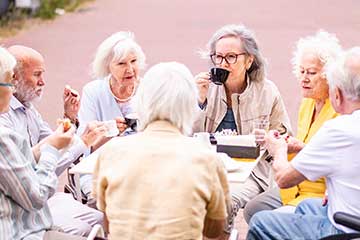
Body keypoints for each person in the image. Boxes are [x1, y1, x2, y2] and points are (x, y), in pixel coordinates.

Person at [93, 62, 230, 239]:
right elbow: (214, 231)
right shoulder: (207, 158)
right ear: (189, 105)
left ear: (141, 102)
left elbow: (108, 222)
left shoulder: (110, 153)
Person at [247, 47, 360, 239]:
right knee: (306, 206)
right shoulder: (335, 123)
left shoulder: (339, 129)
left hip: (346, 228)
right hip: (343, 210)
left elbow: (284, 178)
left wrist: (279, 149)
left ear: (337, 94)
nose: (305, 78)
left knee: (261, 221)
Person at [193, 24, 292, 232]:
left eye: (231, 57)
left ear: (249, 60)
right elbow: (187, 136)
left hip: (250, 172)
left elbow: (284, 137)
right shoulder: (204, 89)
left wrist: (268, 138)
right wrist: (199, 102)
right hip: (207, 168)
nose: (223, 63)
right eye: (218, 57)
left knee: (223, 200)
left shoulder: (267, 91)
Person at [0, 45, 106, 237]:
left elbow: (54, 144)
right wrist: (81, 142)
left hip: (40, 197)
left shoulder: (28, 108)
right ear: (14, 78)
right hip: (24, 210)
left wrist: (69, 119)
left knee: (101, 219)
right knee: (84, 230)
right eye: (37, 75)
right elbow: (37, 177)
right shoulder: (4, 125)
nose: (42, 82)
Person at [243, 31, 342, 223]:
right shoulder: (308, 103)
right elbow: (307, 147)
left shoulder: (339, 109)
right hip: (296, 186)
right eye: (301, 71)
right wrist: (289, 143)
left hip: (318, 192)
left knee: (263, 220)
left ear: (330, 75)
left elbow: (333, 159)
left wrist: (284, 150)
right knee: (253, 208)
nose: (304, 78)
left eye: (312, 73)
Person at [77, 31, 146, 199]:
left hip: (141, 168)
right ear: (108, 65)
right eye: (121, 63)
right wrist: (110, 132)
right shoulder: (93, 92)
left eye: (134, 61)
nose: (130, 69)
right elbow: (86, 146)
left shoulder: (148, 90)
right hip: (100, 168)